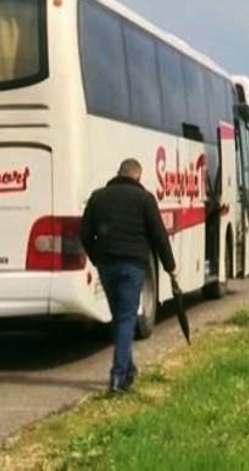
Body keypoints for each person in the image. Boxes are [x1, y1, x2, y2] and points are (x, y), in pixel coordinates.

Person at [79, 158, 177, 394]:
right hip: (132, 265)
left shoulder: (98, 197)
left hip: (107, 265)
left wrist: (97, 258)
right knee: (126, 318)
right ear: (138, 177)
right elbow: (159, 236)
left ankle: (129, 368)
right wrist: (170, 267)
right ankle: (118, 377)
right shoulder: (144, 199)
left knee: (120, 317)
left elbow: (84, 233)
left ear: (118, 173)